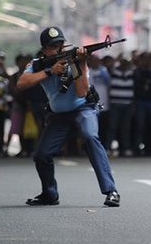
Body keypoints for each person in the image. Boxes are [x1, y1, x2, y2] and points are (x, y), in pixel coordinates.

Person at [18, 27, 120, 206]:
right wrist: (50, 71)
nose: (58, 49)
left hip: (83, 110)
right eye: (53, 46)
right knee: (41, 155)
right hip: (59, 117)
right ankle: (49, 194)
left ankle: (111, 191)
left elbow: (81, 93)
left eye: (60, 45)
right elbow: (21, 84)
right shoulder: (37, 64)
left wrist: (81, 64)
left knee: (90, 136)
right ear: (44, 50)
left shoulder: (75, 60)